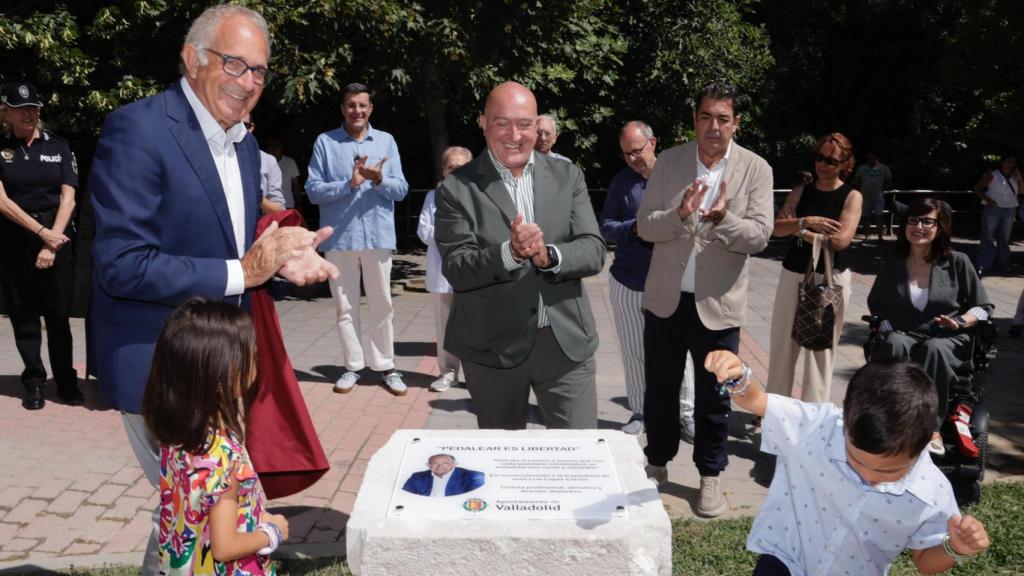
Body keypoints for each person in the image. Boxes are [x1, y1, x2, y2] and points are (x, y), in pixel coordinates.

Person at [89, 6, 336, 573]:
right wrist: (244, 272)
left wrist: (280, 263)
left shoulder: (244, 145)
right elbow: (122, 264)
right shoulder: (138, 129)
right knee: (202, 516)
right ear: (192, 58)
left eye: (259, 71)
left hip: (220, 365)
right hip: (159, 367)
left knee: (186, 514)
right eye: (234, 63)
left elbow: (231, 244)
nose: (247, 81)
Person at [707, 350, 990, 575]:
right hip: (785, 560)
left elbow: (924, 561)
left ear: (927, 441)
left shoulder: (932, 492)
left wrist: (955, 548)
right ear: (846, 417)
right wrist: (738, 374)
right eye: (854, 459)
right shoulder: (819, 426)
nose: (867, 475)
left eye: (888, 471)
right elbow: (756, 399)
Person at [434, 81, 606, 430]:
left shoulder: (567, 176)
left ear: (537, 125)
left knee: (580, 453)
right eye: (502, 123)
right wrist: (510, 253)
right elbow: (456, 268)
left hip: (565, 343)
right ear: (483, 123)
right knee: (502, 457)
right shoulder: (456, 188)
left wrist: (549, 256)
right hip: (491, 348)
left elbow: (593, 248)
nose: (514, 135)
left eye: (524, 124)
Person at [637, 81, 773, 517]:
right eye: (706, 117)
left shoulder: (756, 169)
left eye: (723, 118)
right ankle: (657, 462)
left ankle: (710, 475)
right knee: (660, 390)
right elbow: (645, 226)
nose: (713, 126)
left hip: (719, 306)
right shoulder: (669, 161)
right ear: (694, 120)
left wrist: (724, 219)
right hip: (666, 301)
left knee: (715, 398)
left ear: (737, 123)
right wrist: (680, 214)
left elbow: (760, 235)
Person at [143, 299, 290, 574]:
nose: (256, 360)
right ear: (222, 373)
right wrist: (272, 532)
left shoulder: (177, 433)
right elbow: (224, 547)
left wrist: (255, 514)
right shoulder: (223, 456)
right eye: (251, 355)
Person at [307, 82, 410, 396]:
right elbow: (312, 190)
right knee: (345, 306)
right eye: (351, 105)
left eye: (362, 105)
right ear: (343, 109)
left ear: (370, 109)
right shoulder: (325, 142)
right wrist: (348, 184)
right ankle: (353, 366)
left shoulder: (386, 141)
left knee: (383, 304)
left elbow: (401, 190)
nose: (357, 110)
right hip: (340, 238)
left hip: (378, 235)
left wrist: (379, 179)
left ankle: (386, 366)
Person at [867, 198, 992, 455]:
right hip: (905, 333)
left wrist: (960, 321)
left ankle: (930, 428)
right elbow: (876, 305)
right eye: (913, 220)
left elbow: (983, 307)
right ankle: (889, 419)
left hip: (948, 337)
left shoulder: (958, 261)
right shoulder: (893, 263)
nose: (919, 226)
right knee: (894, 344)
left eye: (927, 221)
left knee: (933, 349)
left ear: (940, 227)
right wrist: (887, 327)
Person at [600, 120, 695, 438]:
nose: (632, 159)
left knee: (680, 351)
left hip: (673, 280)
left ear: (653, 143)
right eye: (626, 154)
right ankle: (641, 411)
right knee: (634, 350)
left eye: (637, 151)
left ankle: (685, 414)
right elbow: (606, 226)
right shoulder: (621, 182)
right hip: (629, 280)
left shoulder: (679, 177)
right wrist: (634, 228)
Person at [0, 81, 82, 410]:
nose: (28, 114)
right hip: (15, 241)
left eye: (33, 108)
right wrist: (40, 232)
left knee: (59, 315)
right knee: (24, 314)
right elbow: (2, 201)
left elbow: (69, 197)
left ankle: (66, 380)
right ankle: (34, 380)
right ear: (6, 112)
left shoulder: (59, 147)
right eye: (20, 109)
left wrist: (51, 241)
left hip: (56, 241)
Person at [766, 133, 862, 405]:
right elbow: (776, 228)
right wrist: (807, 221)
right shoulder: (802, 190)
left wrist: (799, 229)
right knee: (782, 345)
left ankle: (813, 413)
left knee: (820, 351)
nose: (823, 164)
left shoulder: (851, 196)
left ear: (845, 164)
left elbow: (840, 241)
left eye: (831, 160)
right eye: (820, 157)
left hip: (830, 278)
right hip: (793, 272)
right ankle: (775, 409)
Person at [417, 146, 472, 392]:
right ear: (443, 170)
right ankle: (448, 372)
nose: (455, 171)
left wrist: (448, 232)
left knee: (473, 326)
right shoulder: (433, 196)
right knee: (444, 326)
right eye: (451, 167)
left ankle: (475, 375)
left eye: (461, 167)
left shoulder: (479, 196)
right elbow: (423, 231)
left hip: (471, 271)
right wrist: (451, 232)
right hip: (441, 271)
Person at [973, 155, 1020, 275]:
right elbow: (978, 188)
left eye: (1013, 162)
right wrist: (988, 199)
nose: (1011, 164)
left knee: (1004, 238)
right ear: (1002, 162)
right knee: (988, 237)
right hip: (993, 209)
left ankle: (1004, 264)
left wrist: (1019, 176)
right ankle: (984, 264)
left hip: (1010, 209)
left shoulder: (1014, 177)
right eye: (1008, 161)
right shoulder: (993, 175)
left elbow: (1021, 191)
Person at [243, 114, 285, 214]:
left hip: (257, 222)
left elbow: (279, 209)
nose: (237, 129)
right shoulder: (215, 157)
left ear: (251, 127)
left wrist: (254, 196)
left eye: (244, 125)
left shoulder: (268, 160)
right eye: (234, 124)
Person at [401, 453, 485, 497]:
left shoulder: (473, 476)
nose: (440, 466)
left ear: (455, 465)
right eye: (435, 463)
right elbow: (405, 495)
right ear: (428, 465)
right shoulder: (417, 477)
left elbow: (475, 498)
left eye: (445, 463)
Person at [852, 152, 892, 242]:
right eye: (869, 159)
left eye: (873, 158)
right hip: (865, 196)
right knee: (865, 217)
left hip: (878, 196)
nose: (871, 160)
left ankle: (880, 238)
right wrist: (858, 192)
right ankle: (866, 237)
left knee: (879, 216)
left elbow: (889, 180)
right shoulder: (862, 168)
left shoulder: (884, 168)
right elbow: (857, 180)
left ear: (877, 158)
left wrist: (884, 189)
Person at [266, 136, 299, 210]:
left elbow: (296, 185)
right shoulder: (262, 162)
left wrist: (299, 203)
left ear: (282, 148)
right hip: (268, 206)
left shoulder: (290, 162)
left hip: (288, 204)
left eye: (276, 146)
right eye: (270, 146)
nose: (273, 149)